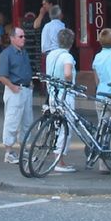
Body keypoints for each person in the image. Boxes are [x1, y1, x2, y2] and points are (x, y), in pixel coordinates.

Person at [0, 26, 33, 164]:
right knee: (12, 121)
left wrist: (30, 83)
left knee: (26, 121)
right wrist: (12, 86)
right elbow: (1, 75)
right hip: (15, 90)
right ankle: (9, 152)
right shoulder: (6, 54)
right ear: (12, 38)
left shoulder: (24, 53)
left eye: (24, 36)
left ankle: (24, 149)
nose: (24, 39)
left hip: (25, 89)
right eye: (21, 36)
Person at [45, 27, 78, 173]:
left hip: (52, 94)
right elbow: (68, 73)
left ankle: (57, 158)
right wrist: (70, 81)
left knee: (57, 126)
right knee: (66, 128)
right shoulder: (67, 57)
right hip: (65, 96)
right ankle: (60, 161)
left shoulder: (50, 55)